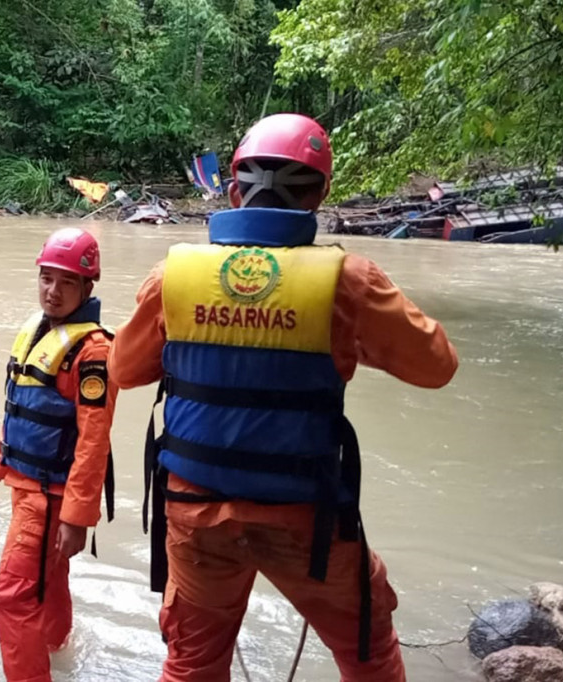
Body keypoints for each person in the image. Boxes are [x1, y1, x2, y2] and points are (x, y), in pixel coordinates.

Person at [107, 113, 459, 681]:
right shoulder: (351, 281)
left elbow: (123, 371)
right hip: (305, 519)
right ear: (321, 192)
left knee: (192, 665)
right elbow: (437, 366)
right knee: (368, 655)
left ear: (231, 191)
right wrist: (342, 336)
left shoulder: (171, 276)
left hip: (196, 511)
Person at [0, 227, 117, 682]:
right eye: (46, 279)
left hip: (51, 497)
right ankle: (57, 653)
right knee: (48, 584)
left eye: (66, 282)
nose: (52, 292)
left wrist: (77, 518)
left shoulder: (92, 353)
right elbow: (22, 412)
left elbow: (94, 442)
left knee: (12, 596)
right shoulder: (38, 332)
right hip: (28, 486)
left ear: (88, 287)